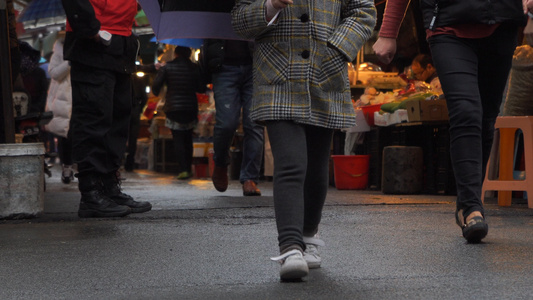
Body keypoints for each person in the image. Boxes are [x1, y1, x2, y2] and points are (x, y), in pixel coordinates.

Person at [232, 0, 376, 280]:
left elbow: (364, 11)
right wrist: (271, 6)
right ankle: (290, 247)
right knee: (291, 162)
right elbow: (240, 21)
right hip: (277, 76)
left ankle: (309, 235)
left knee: (316, 164)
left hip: (326, 75)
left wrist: (335, 50)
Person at [373, 0, 527, 243]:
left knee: (486, 118)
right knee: (466, 112)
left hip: (502, 24)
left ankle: (468, 200)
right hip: (448, 26)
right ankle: (471, 209)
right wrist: (388, 32)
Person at [61, 0, 152, 218]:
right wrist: (90, 27)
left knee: (117, 117)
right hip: (96, 38)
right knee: (94, 116)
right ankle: (91, 192)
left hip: (120, 38)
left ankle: (109, 186)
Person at [203, 37, 265, 196]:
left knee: (254, 123)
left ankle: (250, 178)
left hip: (255, 65)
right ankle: (221, 162)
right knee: (227, 124)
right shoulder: (214, 12)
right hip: (224, 67)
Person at [152, 46, 205, 180]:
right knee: (188, 139)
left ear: (175, 54)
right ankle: (188, 168)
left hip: (173, 107)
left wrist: (159, 90)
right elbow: (201, 87)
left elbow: (156, 86)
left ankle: (182, 170)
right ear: (188, 54)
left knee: (178, 138)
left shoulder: (167, 67)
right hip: (190, 107)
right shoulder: (194, 67)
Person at [44, 33, 75, 184]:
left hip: (84, 95)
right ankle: (67, 168)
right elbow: (54, 73)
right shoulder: (60, 48)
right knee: (65, 134)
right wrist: (69, 62)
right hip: (65, 98)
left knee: (83, 134)